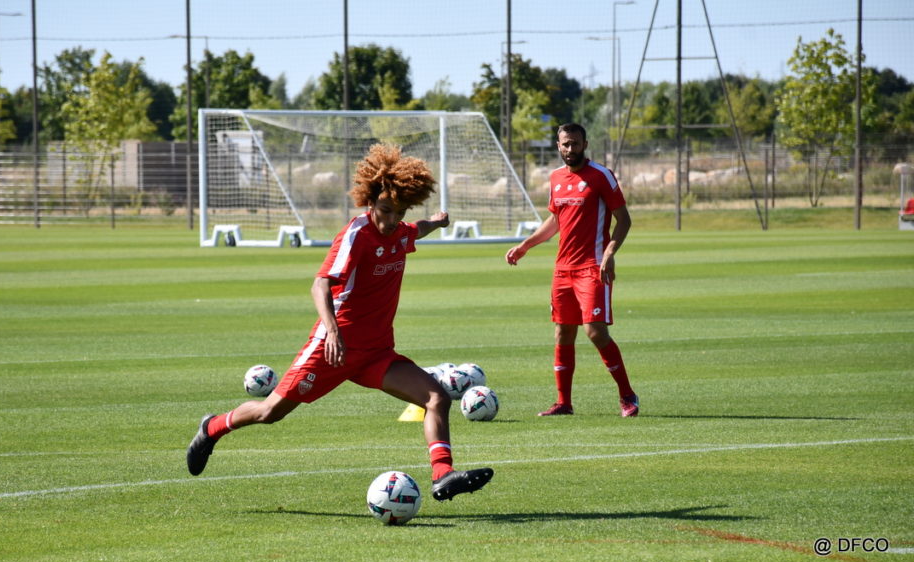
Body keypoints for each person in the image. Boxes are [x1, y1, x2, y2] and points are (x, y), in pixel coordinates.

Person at [187, 143, 494, 501]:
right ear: (370, 202)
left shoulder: (399, 231)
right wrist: (332, 331)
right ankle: (213, 427)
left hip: (377, 352)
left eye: (398, 213)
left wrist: (438, 223)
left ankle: (442, 475)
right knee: (270, 412)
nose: (390, 220)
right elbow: (320, 283)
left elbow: (416, 229)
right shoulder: (356, 234)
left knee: (436, 397)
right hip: (335, 347)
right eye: (385, 211)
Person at [505, 122, 639, 418]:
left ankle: (627, 395)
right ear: (558, 146)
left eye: (575, 143)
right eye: (565, 144)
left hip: (593, 267)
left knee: (595, 331)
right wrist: (526, 245)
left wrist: (610, 253)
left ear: (585, 144)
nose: (570, 149)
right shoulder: (555, 178)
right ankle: (563, 402)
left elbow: (624, 219)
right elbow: (555, 220)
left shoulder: (601, 175)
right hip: (563, 269)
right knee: (563, 332)